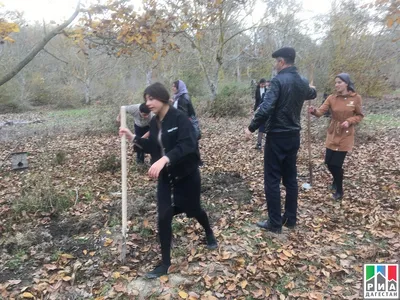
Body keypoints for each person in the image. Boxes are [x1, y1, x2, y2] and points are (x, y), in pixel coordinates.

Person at [119, 82, 217, 279]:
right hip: (166, 177)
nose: (148, 103)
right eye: (146, 99)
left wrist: (165, 159)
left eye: (151, 99)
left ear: (162, 98)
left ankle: (208, 232)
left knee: (193, 209)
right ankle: (165, 263)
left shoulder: (179, 117)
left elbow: (188, 144)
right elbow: (153, 147)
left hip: (187, 174)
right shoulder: (155, 122)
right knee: (163, 217)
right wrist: (132, 138)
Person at [245, 47, 317, 233]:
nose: (275, 65)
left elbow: (266, 107)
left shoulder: (278, 81)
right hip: (294, 136)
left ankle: (275, 222)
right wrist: (313, 90)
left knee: (272, 179)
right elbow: (312, 93)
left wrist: (251, 127)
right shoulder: (301, 81)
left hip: (277, 136)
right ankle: (290, 219)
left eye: (276, 61)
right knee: (291, 178)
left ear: (282, 62)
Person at [308, 73, 364, 201]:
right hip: (333, 132)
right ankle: (336, 179)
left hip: (346, 134)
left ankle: (339, 190)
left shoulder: (356, 98)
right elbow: (321, 112)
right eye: (336, 82)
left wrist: (349, 121)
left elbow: (360, 115)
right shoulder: (331, 98)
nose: (336, 85)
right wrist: (313, 111)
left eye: (339, 82)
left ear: (346, 83)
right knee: (328, 162)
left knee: (336, 165)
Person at [253, 79, 270, 150]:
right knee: (261, 127)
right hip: (259, 109)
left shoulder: (267, 91)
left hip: (266, 111)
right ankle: (259, 143)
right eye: (261, 84)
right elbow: (257, 100)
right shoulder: (257, 90)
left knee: (266, 128)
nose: (263, 85)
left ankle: (267, 144)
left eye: (264, 84)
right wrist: (255, 109)